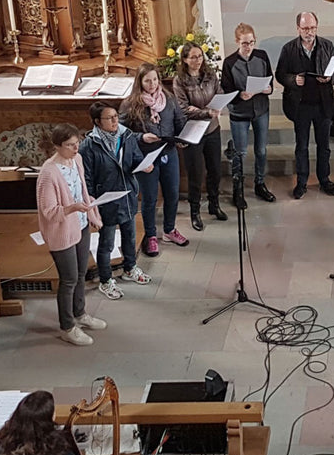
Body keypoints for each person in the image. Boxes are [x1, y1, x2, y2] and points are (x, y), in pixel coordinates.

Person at [34, 125, 107, 345]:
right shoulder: (48, 173)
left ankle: (80, 314)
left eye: (77, 143)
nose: (76, 149)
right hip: (62, 230)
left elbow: (83, 190)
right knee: (68, 279)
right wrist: (73, 208)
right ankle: (67, 327)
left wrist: (92, 213)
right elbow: (49, 212)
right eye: (70, 145)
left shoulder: (77, 160)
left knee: (81, 272)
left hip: (81, 225)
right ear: (57, 146)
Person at [78, 101, 150, 299]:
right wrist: (92, 203)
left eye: (116, 116)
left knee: (130, 236)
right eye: (109, 118)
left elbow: (135, 157)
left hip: (127, 194)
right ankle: (105, 280)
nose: (115, 121)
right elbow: (87, 178)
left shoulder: (125, 136)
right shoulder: (89, 145)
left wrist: (143, 165)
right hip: (106, 199)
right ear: (97, 122)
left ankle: (130, 268)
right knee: (107, 243)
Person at [120, 62, 188, 255]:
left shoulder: (169, 99)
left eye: (155, 79)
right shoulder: (130, 103)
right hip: (145, 156)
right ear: (140, 82)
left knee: (172, 194)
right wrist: (141, 137)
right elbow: (121, 132)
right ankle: (150, 235)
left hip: (168, 152)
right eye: (147, 80)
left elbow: (179, 122)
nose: (152, 84)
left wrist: (184, 138)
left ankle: (169, 230)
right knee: (150, 198)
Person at [275, 12, 334, 199]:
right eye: (305, 28)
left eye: (313, 28)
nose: (309, 32)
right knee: (302, 146)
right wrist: (292, 80)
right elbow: (280, 74)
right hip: (300, 105)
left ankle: (324, 179)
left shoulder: (326, 45)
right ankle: (302, 182)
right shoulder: (289, 49)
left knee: (324, 146)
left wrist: (331, 78)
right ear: (298, 28)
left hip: (323, 104)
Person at [173, 42, 228, 234]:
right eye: (193, 57)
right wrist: (206, 112)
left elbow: (219, 92)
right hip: (193, 131)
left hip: (212, 129)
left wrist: (219, 106)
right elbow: (183, 107)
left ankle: (214, 204)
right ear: (185, 60)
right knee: (196, 173)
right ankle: (195, 212)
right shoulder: (180, 80)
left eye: (200, 56)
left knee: (215, 169)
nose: (198, 60)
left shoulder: (210, 74)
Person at [220, 23, 276, 207]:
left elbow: (269, 79)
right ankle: (238, 189)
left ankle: (260, 183)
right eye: (245, 43)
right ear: (237, 42)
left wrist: (269, 89)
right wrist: (239, 95)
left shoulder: (261, 56)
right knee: (241, 152)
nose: (249, 47)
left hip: (260, 109)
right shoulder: (229, 63)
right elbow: (227, 89)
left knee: (261, 150)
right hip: (240, 113)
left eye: (252, 42)